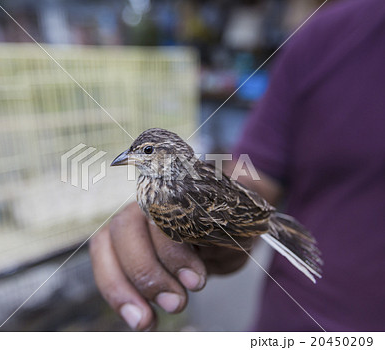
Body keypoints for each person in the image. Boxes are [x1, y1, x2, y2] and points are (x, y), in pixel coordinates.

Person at [90, 0, 385, 331]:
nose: (132, 158)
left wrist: (246, 227)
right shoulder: (326, 35)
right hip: (289, 321)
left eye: (145, 151)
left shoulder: (164, 202)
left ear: (166, 156)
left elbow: (228, 207)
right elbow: (250, 181)